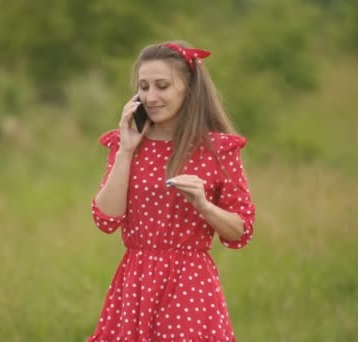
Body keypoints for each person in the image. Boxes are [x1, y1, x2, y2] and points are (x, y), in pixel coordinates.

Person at [87, 40, 256, 342]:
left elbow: (240, 231)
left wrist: (204, 206)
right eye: (144, 86)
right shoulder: (124, 144)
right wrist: (127, 149)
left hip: (190, 285)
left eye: (162, 86)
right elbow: (105, 219)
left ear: (189, 89)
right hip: (135, 281)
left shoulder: (218, 150)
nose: (151, 97)